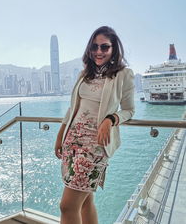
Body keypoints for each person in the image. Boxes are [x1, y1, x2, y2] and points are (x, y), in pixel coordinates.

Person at [55, 26, 135, 224]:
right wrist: (60, 137)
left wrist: (110, 120)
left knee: (67, 206)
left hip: (96, 145)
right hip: (72, 142)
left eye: (104, 47)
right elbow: (73, 108)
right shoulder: (84, 74)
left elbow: (129, 110)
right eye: (94, 47)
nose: (99, 51)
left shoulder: (123, 74)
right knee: (85, 201)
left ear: (114, 49)